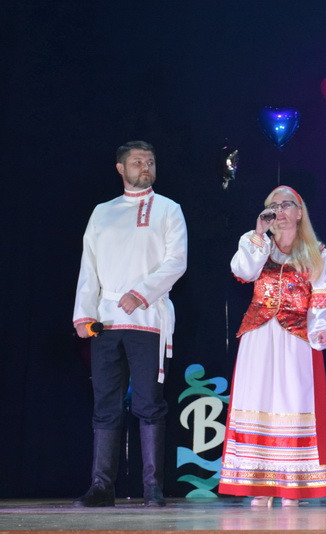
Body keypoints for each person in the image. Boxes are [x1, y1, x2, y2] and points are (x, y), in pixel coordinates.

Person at [72, 141, 188, 507]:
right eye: (137, 162)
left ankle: (152, 487)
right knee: (105, 403)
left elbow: (176, 262)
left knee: (149, 403)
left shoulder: (168, 209)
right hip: (106, 322)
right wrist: (83, 314)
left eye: (150, 161)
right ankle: (101, 486)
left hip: (148, 319)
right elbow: (89, 266)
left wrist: (141, 293)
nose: (145, 166)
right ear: (121, 168)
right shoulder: (102, 212)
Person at [218, 185, 326, 508]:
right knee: (258, 400)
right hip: (259, 336)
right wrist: (259, 235)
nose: (280, 211)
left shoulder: (316, 251)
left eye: (287, 204)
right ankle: (259, 482)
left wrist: (324, 329)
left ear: (299, 213)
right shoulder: (256, 243)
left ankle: (293, 484)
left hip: (295, 338)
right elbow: (243, 271)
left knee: (292, 402)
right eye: (274, 206)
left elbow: (323, 296)